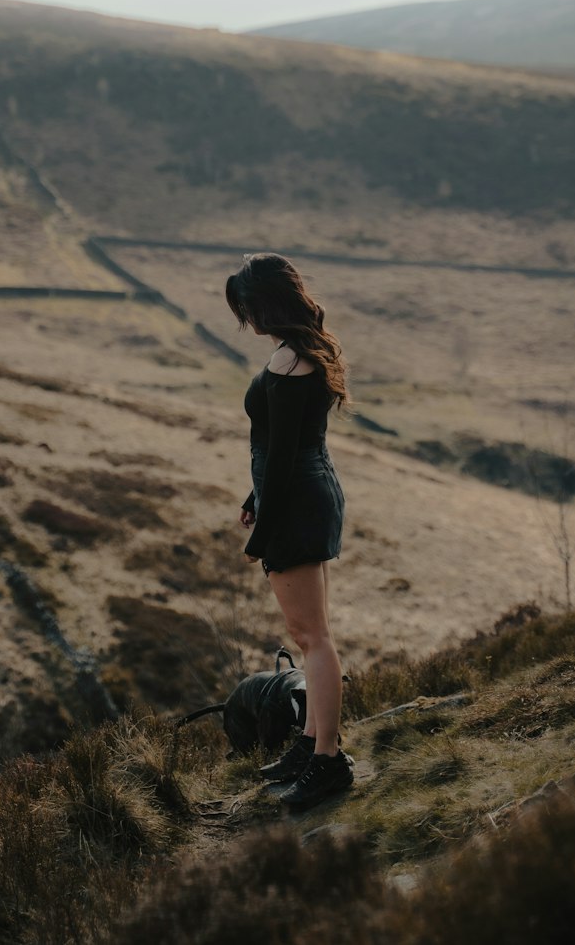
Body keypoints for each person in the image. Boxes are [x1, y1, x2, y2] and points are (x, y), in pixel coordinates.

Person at [225, 251, 355, 811]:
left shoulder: (286, 364)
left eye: (247, 307)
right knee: (312, 636)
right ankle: (310, 745)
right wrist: (257, 498)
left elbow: (279, 459)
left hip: (296, 503)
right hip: (304, 495)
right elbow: (288, 448)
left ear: (266, 303)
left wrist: (262, 531)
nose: (246, 320)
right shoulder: (303, 352)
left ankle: (327, 761)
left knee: (313, 638)